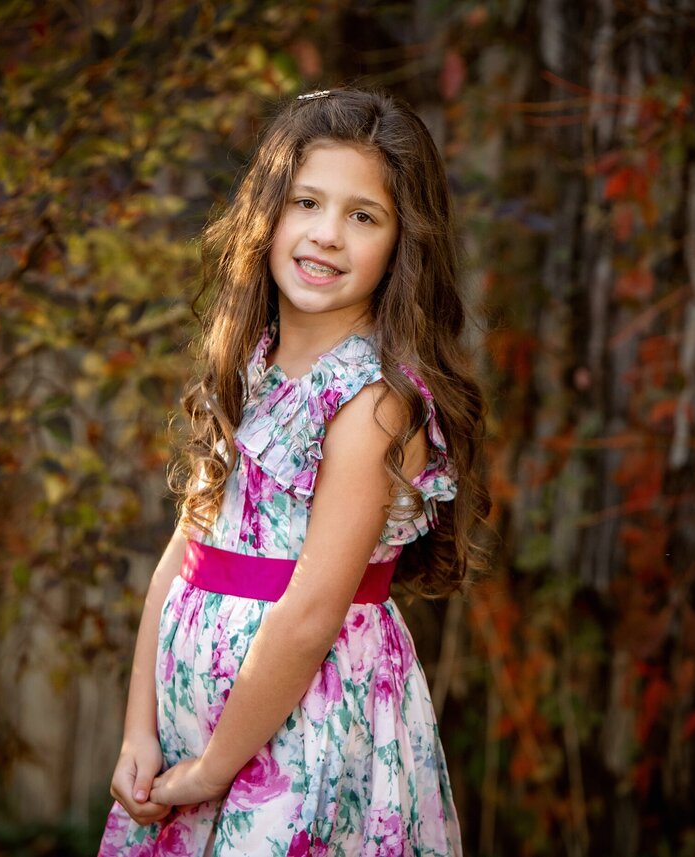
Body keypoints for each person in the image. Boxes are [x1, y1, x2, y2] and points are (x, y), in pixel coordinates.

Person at [100, 87, 491, 856]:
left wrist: (217, 766)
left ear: (402, 243)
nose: (326, 235)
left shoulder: (372, 402)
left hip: (302, 735)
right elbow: (187, 549)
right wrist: (137, 728)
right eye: (307, 202)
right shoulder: (251, 360)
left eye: (363, 216)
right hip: (189, 738)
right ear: (268, 213)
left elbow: (312, 612)